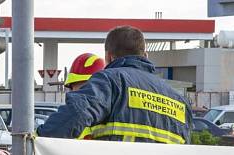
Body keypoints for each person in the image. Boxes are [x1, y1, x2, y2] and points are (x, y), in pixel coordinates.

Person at [38, 26, 192, 144]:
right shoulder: (180, 102)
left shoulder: (111, 81)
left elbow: (76, 113)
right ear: (145, 56)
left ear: (108, 57)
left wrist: (37, 139)